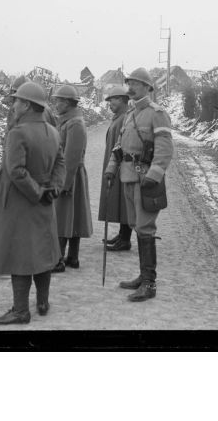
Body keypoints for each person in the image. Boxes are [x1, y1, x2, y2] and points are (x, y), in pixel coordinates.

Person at [0, 82, 65, 325]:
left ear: (27, 105)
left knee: (21, 255)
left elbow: (15, 171)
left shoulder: (18, 132)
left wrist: (36, 193)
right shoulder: (53, 132)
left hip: (21, 202)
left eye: (16, 100)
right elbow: (60, 164)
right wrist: (52, 189)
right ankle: (43, 302)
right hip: (44, 200)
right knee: (42, 253)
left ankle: (20, 310)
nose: (13, 105)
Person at [104, 68, 173, 302]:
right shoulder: (131, 114)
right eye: (129, 83)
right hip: (128, 177)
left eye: (135, 83)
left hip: (146, 180)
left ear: (147, 87)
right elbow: (119, 146)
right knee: (135, 225)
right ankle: (143, 276)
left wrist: (154, 174)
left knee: (145, 228)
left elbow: (165, 149)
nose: (130, 87)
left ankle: (149, 283)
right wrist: (112, 168)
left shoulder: (157, 114)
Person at [51, 84, 93, 272]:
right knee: (73, 216)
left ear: (68, 102)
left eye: (59, 100)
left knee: (62, 217)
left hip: (70, 175)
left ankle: (58, 259)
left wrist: (64, 183)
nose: (56, 104)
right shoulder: (68, 121)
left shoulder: (75, 123)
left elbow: (71, 158)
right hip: (70, 175)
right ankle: (72, 257)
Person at [98, 86, 133, 251]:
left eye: (112, 99)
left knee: (124, 202)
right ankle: (122, 234)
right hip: (115, 165)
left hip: (121, 166)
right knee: (119, 201)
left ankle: (125, 238)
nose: (109, 103)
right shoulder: (119, 117)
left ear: (122, 99)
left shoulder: (126, 118)